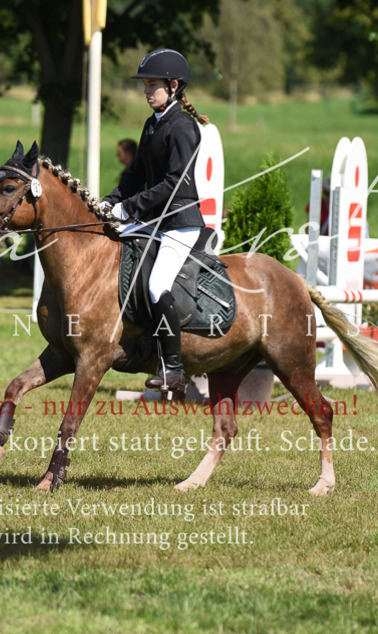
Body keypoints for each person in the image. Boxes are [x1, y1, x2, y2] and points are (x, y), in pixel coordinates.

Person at [101, 49, 209, 395]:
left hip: (180, 221)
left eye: (153, 86)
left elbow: (173, 183)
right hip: (156, 220)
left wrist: (130, 207)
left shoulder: (183, 127)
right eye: (145, 86)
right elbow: (136, 174)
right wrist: (110, 201)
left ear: (174, 86)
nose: (147, 92)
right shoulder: (153, 123)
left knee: (156, 284)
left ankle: (174, 369)